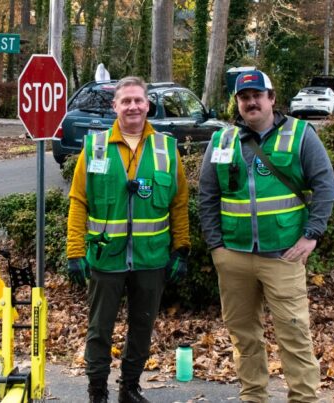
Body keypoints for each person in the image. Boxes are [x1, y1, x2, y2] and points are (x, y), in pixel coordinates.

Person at [198, 70, 334, 403]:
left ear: (272, 98)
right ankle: (254, 397)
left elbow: (326, 187)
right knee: (244, 338)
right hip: (233, 256)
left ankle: (303, 399)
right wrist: (216, 246)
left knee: (294, 336)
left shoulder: (300, 134)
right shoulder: (222, 140)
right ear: (237, 103)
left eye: (257, 95)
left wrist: (311, 235)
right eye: (244, 97)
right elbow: (207, 194)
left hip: (283, 256)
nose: (251, 102)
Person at [67, 76, 190, 403]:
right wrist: (75, 251)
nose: (133, 106)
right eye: (126, 101)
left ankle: (129, 389)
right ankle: (97, 392)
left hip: (151, 258)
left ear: (148, 105)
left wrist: (182, 248)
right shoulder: (94, 147)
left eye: (138, 100)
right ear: (115, 106)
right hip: (107, 257)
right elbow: (79, 200)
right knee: (99, 330)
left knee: (142, 327)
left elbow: (179, 202)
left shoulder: (166, 148)